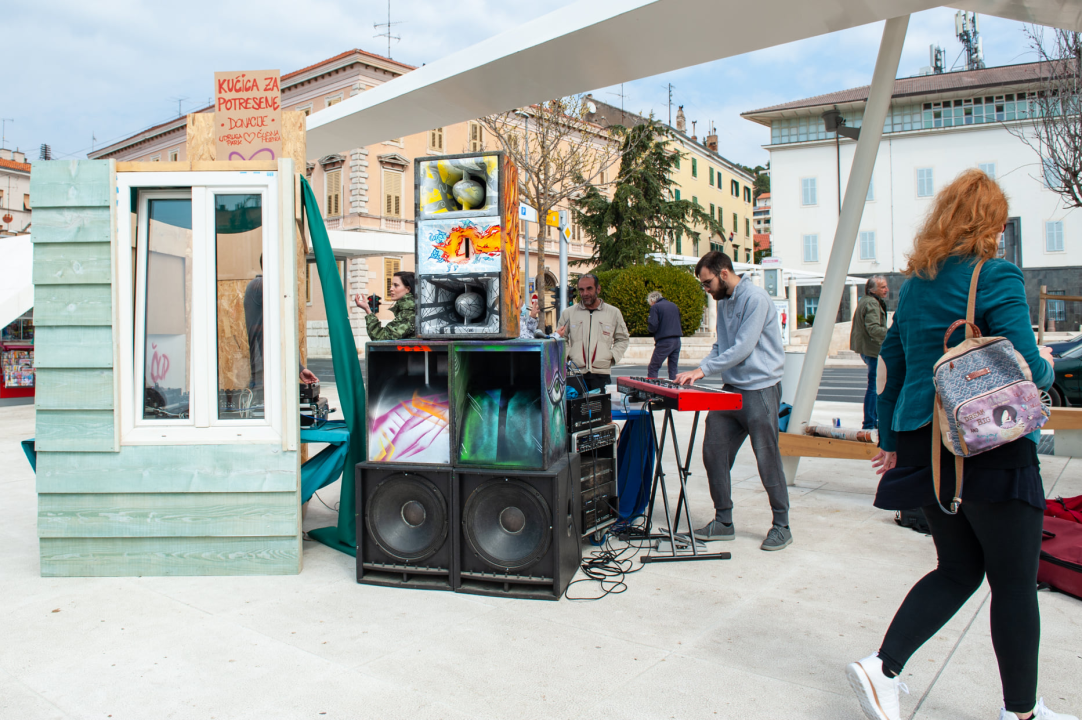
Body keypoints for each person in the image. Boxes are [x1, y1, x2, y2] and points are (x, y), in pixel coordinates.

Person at [846, 170, 1072, 720]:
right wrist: (1047, 366)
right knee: (1015, 582)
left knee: (958, 568)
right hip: (987, 444)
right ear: (989, 223)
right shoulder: (996, 276)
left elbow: (894, 363)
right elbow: (1026, 363)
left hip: (928, 445)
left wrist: (895, 440)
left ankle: (884, 668)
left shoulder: (916, 285)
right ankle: (1022, 713)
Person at [674, 251, 790, 551]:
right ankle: (723, 521)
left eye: (707, 282)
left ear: (723, 273)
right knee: (713, 451)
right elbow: (721, 346)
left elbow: (743, 348)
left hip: (761, 390)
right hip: (731, 390)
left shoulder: (756, 299)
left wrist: (703, 370)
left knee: (767, 458)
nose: (706, 289)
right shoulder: (724, 302)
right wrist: (696, 370)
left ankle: (782, 525)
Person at [245, 256, 318, 388]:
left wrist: (299, 368)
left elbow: (283, 333)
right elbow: (280, 331)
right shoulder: (260, 286)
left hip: (270, 376)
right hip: (264, 379)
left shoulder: (261, 287)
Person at [555, 273, 629, 392]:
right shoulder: (568, 313)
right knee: (576, 409)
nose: (585, 293)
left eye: (589, 288)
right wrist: (569, 355)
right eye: (581, 289)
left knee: (599, 410)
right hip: (576, 373)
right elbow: (560, 338)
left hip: (601, 374)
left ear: (598, 289)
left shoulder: (613, 313)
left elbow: (623, 339)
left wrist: (611, 356)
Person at [850, 275, 889, 430]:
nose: (886, 290)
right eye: (883, 287)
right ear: (872, 289)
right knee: (874, 386)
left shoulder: (866, 300)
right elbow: (873, 329)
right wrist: (892, 334)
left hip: (867, 349)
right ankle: (870, 423)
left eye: (886, 286)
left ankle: (873, 420)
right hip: (873, 350)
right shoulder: (872, 304)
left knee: (875, 385)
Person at [354, 270, 416, 340]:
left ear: (408, 289)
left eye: (396, 285)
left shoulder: (409, 312)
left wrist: (368, 311)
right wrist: (367, 309)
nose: (391, 289)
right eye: (392, 285)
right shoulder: (410, 309)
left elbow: (381, 337)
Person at [646, 290, 682, 380]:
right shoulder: (673, 305)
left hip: (664, 340)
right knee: (673, 367)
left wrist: (649, 330)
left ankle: (652, 389)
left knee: (653, 367)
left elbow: (653, 325)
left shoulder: (655, 307)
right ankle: (674, 388)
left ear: (652, 300)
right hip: (677, 340)